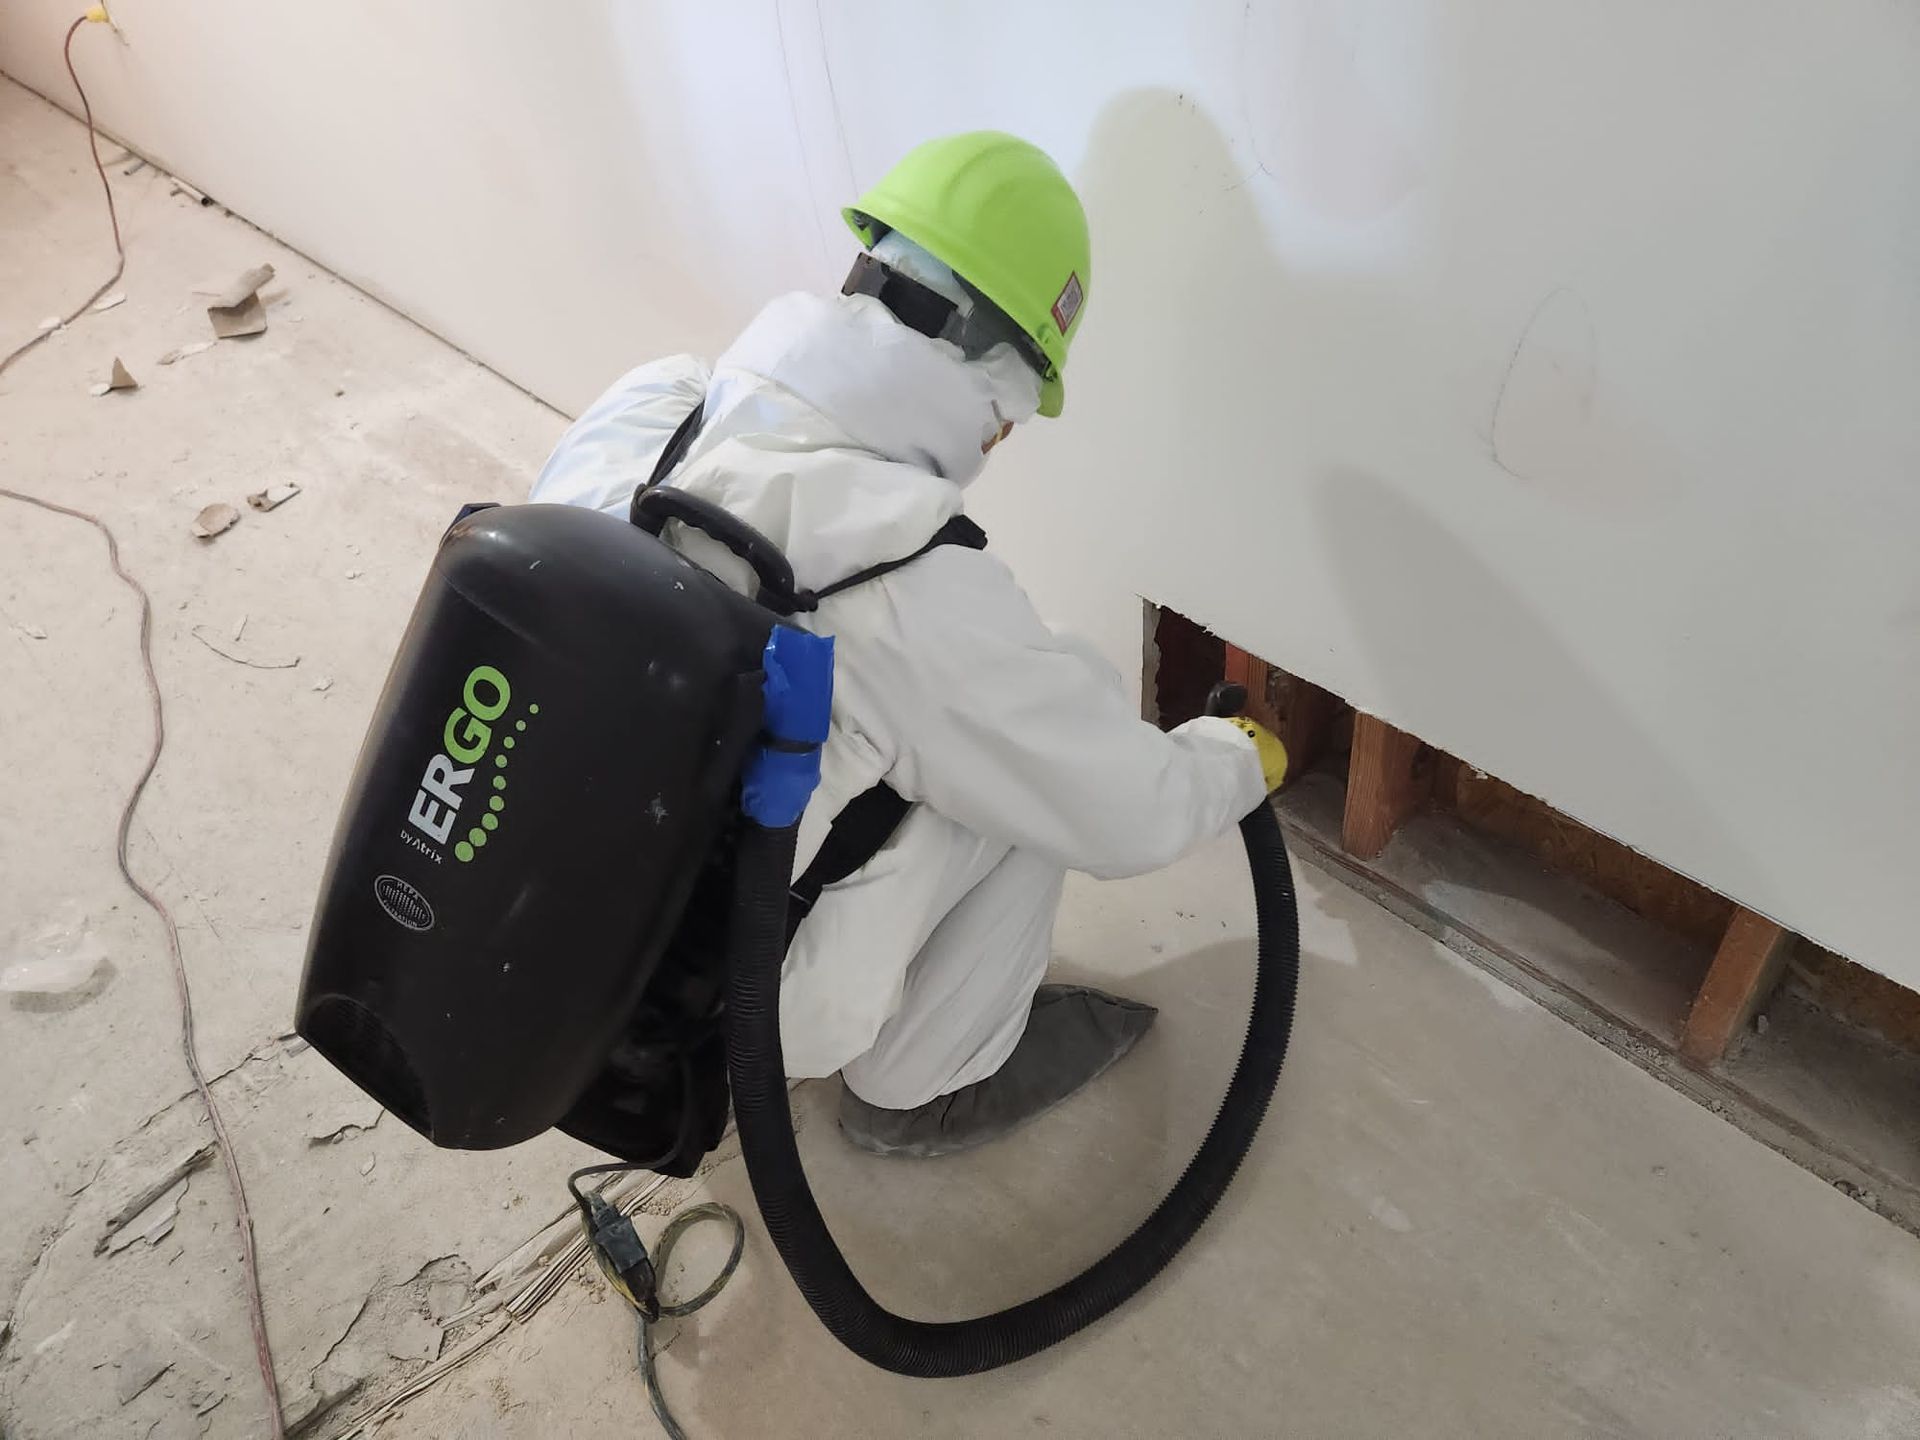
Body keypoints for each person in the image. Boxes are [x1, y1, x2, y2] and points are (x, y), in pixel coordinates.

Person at [531, 132, 1289, 1158]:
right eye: (1011, 420)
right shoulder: (902, 583)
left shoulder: (656, 410)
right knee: (1066, 709)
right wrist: (1238, 761)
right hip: (736, 1009)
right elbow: (1126, 811)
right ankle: (922, 1082)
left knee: (958, 727)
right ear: (997, 389)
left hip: (545, 935)